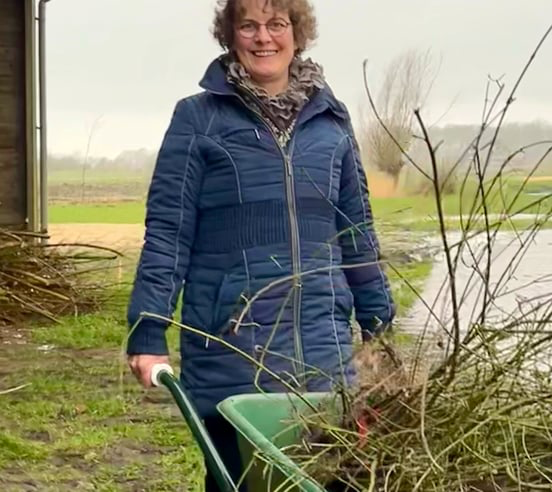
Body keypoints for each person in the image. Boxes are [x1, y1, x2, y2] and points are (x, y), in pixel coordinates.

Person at [124, 0, 395, 489]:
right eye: (248, 25)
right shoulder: (198, 119)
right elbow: (168, 229)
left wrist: (380, 323)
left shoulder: (332, 122)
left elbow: (356, 230)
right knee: (240, 480)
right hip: (231, 345)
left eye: (276, 24)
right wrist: (148, 330)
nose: (263, 37)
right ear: (231, 35)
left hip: (321, 351)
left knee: (325, 476)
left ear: (298, 32)